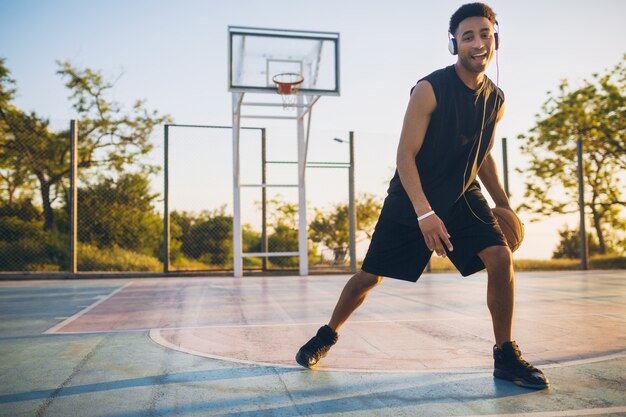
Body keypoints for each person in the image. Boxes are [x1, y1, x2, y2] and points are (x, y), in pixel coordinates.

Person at [295, 2, 550, 390]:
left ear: (495, 39)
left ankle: (505, 356)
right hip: (412, 196)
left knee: (501, 258)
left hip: (463, 195)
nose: (478, 43)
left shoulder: (496, 99)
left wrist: (503, 204)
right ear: (455, 45)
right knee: (369, 277)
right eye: (468, 37)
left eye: (485, 34)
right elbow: (405, 155)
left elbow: (482, 156)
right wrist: (424, 213)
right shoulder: (430, 89)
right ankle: (326, 335)